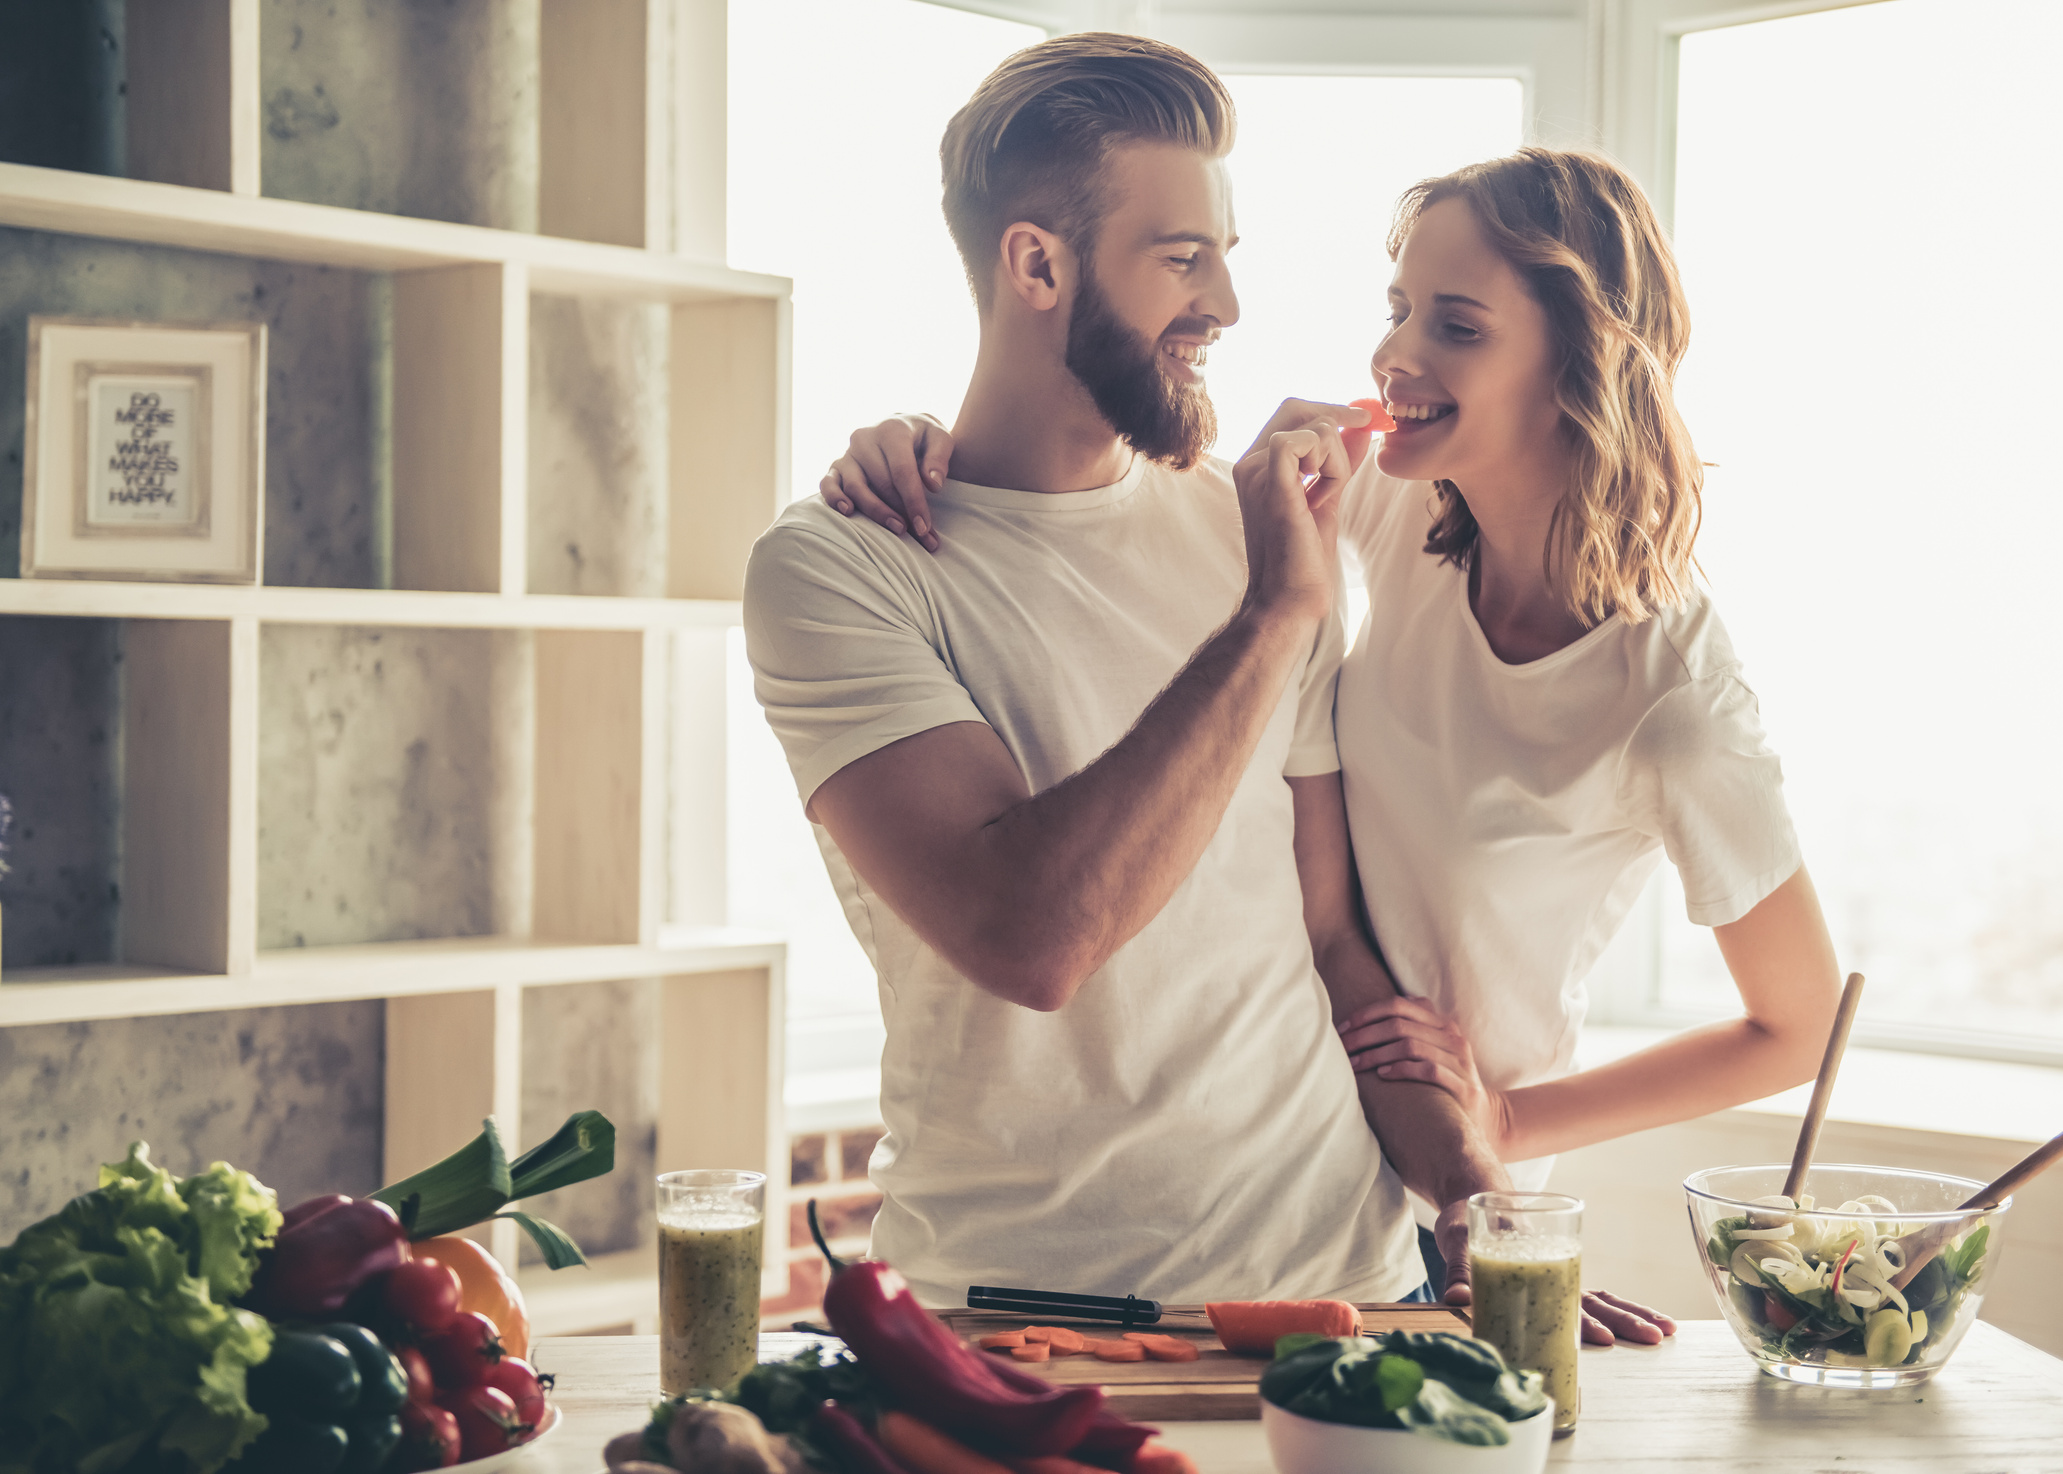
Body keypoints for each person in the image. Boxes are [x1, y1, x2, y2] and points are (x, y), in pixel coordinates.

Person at [823, 149, 1840, 1343]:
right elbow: (1112, 490)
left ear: (1581, 362)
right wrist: (925, 443)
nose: (1393, 355)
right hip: (1300, 1151)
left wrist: (1509, 1125)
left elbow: (1798, 1023)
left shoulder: (1672, 697)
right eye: (1396, 307)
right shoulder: (1398, 501)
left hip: (1441, 1188)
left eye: (1454, 324)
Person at [743, 32, 1518, 1314]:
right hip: (1025, 1317)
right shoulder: (840, 569)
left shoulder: (1258, 527)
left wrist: (1472, 1189)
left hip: (1347, 1287)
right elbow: (1031, 938)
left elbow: (1325, 940)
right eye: (1181, 258)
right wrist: (1270, 615)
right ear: (1036, 264)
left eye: (1224, 254)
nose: (1225, 304)